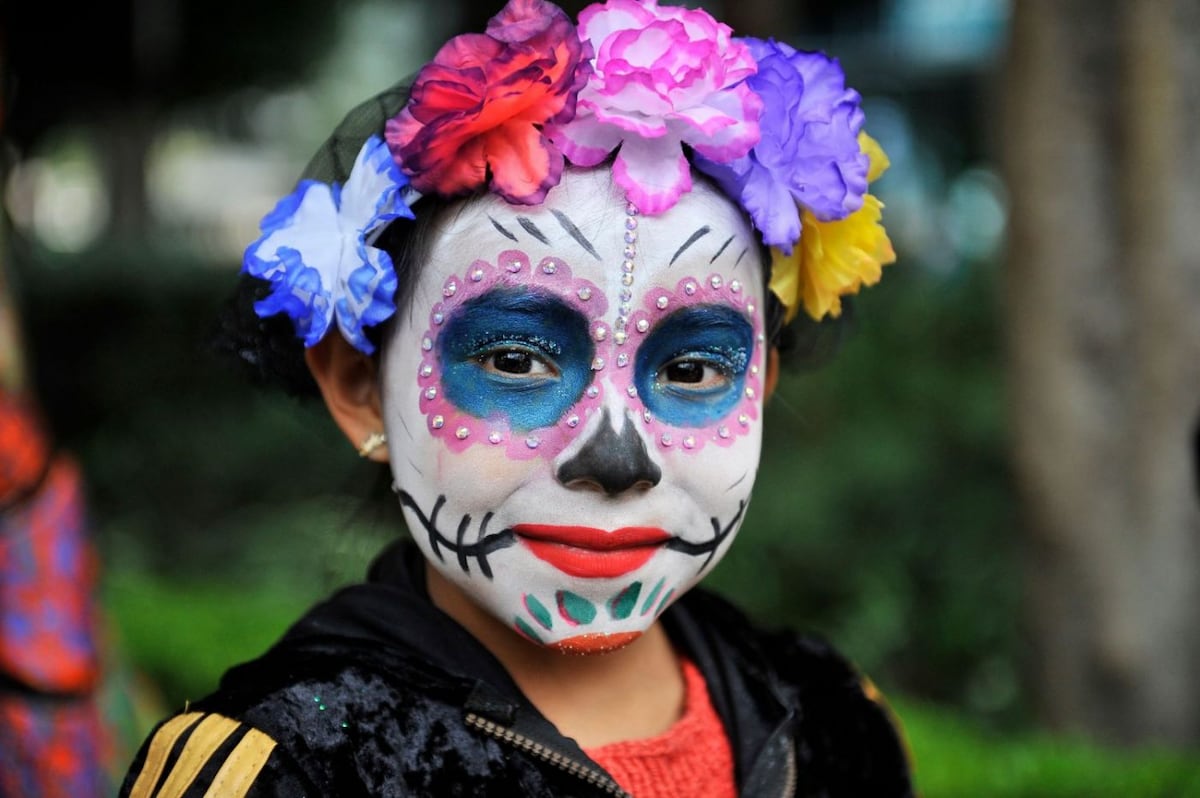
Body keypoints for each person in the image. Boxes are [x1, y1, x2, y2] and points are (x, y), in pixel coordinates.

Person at [123, 0, 909, 795]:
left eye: (694, 370)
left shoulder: (831, 723)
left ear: (760, 389)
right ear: (361, 389)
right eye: (514, 357)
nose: (615, 457)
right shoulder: (291, 772)